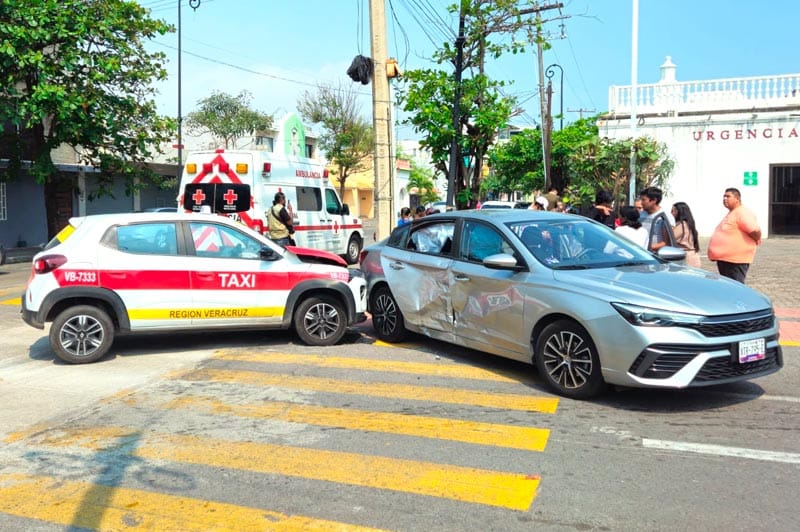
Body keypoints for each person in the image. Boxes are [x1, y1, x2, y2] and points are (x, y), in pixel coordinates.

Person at [707, 187, 762, 283]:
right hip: (726, 260)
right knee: (729, 287)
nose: (724, 199)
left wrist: (755, 240)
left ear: (737, 199)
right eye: (724, 196)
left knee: (736, 286)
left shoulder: (742, 212)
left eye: (728, 196)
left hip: (736, 261)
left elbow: (755, 231)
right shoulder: (732, 213)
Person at [639, 186, 675, 252]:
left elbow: (667, 242)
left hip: (656, 256)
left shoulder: (665, 216)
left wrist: (648, 247)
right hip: (641, 253)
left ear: (654, 200)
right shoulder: (641, 215)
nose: (641, 203)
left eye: (644, 200)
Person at [671, 201, 701, 267]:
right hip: (692, 256)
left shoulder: (682, 225)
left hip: (687, 258)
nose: (672, 213)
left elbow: (670, 238)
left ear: (680, 212)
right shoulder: (688, 224)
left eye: (674, 211)